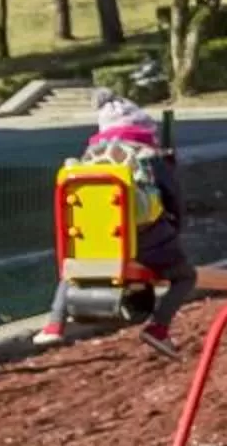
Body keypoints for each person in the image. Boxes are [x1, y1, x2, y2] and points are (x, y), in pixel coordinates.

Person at [35, 95, 193, 356]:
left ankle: (53, 325)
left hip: (95, 242)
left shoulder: (87, 160)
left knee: (73, 267)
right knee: (186, 276)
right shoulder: (150, 158)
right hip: (144, 242)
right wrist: (175, 231)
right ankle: (158, 328)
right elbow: (173, 199)